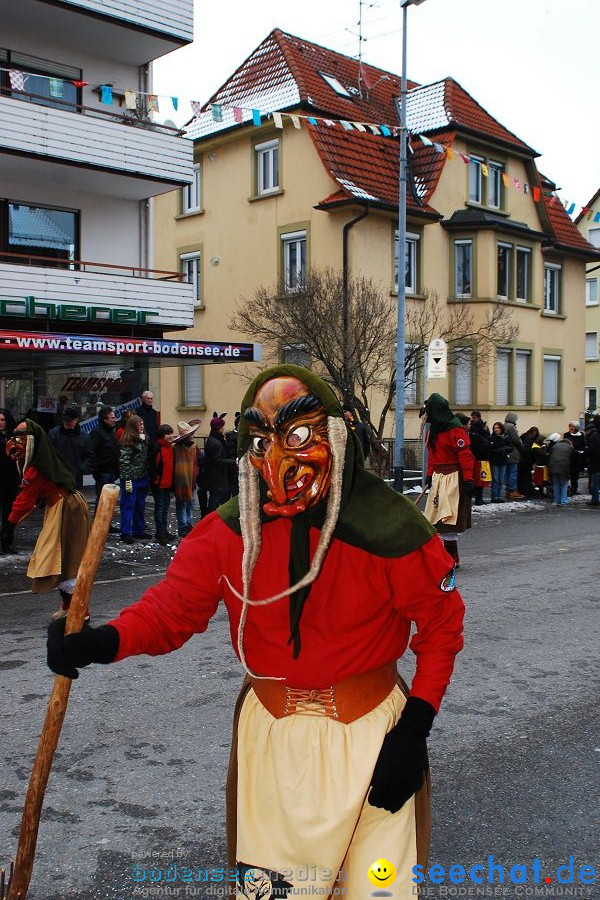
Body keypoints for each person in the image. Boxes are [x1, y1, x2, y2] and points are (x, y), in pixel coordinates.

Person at [47, 364, 464, 898]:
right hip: (272, 745)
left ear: (335, 435)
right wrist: (100, 642)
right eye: (262, 442)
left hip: (373, 737)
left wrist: (414, 730)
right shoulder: (227, 531)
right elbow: (172, 611)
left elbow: (441, 626)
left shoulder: (396, 530)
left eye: (297, 436)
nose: (282, 461)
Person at [1, 420, 90, 617]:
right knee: (61, 557)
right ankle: (69, 607)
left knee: (63, 557)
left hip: (66, 508)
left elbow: (24, 499)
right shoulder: (45, 459)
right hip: (61, 505)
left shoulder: (37, 467)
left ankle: (80, 609)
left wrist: (8, 525)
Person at [420, 393, 474, 568]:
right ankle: (442, 557)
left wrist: (468, 478)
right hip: (439, 477)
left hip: (453, 479)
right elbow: (433, 455)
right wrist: (429, 474)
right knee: (435, 518)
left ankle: (452, 558)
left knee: (448, 519)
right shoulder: (434, 431)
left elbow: (465, 455)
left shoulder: (455, 429)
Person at [118, 415, 149, 543]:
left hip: (142, 477)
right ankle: (126, 532)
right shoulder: (128, 441)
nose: (141, 426)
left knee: (140, 505)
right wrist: (127, 479)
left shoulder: (143, 439)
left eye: (142, 424)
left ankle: (139, 530)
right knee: (128, 504)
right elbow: (124, 462)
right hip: (130, 479)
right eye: (139, 424)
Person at [48, 405, 91, 489]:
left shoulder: (84, 436)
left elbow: (89, 455)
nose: (66, 423)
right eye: (65, 420)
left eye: (69, 420)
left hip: (76, 477)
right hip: (58, 476)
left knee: (74, 500)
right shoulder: (54, 434)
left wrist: (81, 469)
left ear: (77, 420)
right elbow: (49, 454)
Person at [87, 406, 119, 515]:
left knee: (109, 499)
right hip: (102, 471)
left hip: (111, 471)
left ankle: (107, 524)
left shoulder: (111, 432)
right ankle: (99, 525)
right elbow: (91, 452)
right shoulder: (97, 432)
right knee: (102, 499)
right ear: (105, 419)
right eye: (112, 418)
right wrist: (96, 470)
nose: (114, 419)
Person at [172, 421, 200, 538]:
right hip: (181, 479)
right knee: (182, 503)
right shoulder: (178, 449)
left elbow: (196, 462)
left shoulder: (193, 448)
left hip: (191, 479)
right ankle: (182, 525)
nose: (193, 435)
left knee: (189, 503)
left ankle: (186, 523)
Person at [204, 412, 235, 512]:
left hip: (217, 477)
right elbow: (218, 461)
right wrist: (233, 462)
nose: (223, 429)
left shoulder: (216, 440)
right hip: (216, 477)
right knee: (215, 500)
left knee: (217, 499)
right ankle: (210, 519)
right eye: (222, 427)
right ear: (218, 428)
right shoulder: (215, 443)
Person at [151, 423, 175, 545]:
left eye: (171, 433)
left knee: (165, 509)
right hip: (160, 484)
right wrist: (156, 479)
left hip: (168, 483)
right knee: (160, 509)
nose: (170, 436)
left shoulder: (170, 447)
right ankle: (160, 532)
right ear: (162, 435)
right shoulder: (157, 447)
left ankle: (163, 531)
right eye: (168, 434)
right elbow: (153, 465)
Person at [0, 408, 20, 551]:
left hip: (11, 479)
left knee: (10, 512)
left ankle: (7, 541)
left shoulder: (14, 438)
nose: (0, 423)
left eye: (2, 420)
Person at [468, 412, 490, 506]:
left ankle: (479, 498)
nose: (473, 419)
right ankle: (477, 498)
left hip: (482, 456)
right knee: (476, 479)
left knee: (480, 479)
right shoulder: (472, 428)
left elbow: (487, 438)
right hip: (476, 456)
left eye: (474, 417)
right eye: (472, 417)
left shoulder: (482, 427)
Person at [546, 432, 574, 507]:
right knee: (564, 484)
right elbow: (573, 459)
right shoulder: (570, 447)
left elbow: (550, 455)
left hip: (553, 466)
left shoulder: (555, 446)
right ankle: (563, 501)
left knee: (556, 484)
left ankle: (556, 500)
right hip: (564, 467)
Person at [488, 422, 512, 503]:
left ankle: (499, 495)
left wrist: (504, 449)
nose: (496, 430)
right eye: (495, 428)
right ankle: (494, 496)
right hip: (495, 461)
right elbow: (489, 449)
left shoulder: (505, 437)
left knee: (501, 479)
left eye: (497, 428)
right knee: (495, 479)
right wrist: (498, 451)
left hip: (503, 460)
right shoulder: (491, 438)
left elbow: (510, 448)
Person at [502, 413, 524, 500]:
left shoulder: (503, 426)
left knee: (506, 473)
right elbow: (516, 440)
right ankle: (512, 490)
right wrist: (522, 447)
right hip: (513, 453)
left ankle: (508, 489)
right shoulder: (511, 427)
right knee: (513, 472)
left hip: (505, 453)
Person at [563, 421, 586, 496]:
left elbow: (583, 445)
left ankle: (574, 489)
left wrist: (581, 451)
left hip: (577, 458)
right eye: (570, 426)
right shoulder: (566, 435)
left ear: (576, 427)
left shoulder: (581, 435)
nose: (571, 428)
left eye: (572, 426)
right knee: (567, 474)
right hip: (569, 457)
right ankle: (567, 489)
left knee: (575, 475)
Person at [519, 426, 540, 498]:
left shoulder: (524, 436)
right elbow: (530, 451)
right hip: (527, 459)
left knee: (522, 476)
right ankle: (528, 491)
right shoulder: (532, 439)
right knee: (527, 476)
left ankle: (522, 490)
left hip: (522, 459)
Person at [585, 414, 600, 507]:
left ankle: (595, 499)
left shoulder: (593, 436)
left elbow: (591, 450)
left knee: (595, 483)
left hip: (596, 464)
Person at [225, 412, 241, 497]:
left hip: (240, 469)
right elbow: (231, 454)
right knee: (236, 492)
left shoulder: (241, 435)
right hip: (235, 470)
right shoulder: (232, 437)